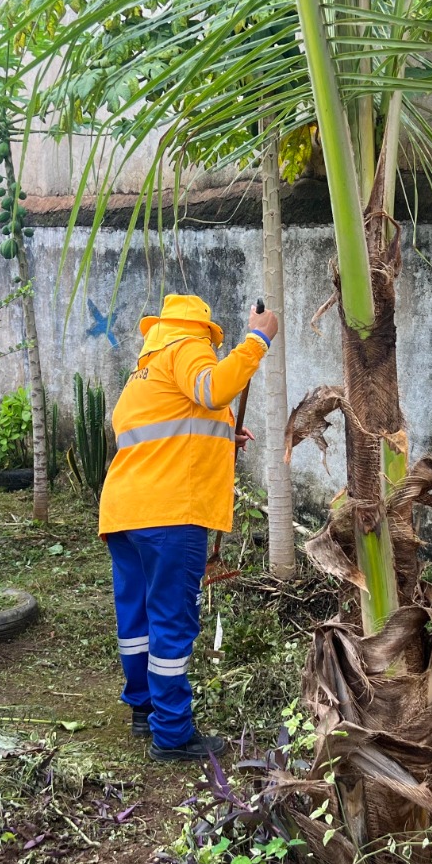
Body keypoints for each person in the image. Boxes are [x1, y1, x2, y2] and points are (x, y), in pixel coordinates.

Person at [99, 293, 279, 762]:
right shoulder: (187, 346)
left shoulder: (146, 370)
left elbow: (169, 427)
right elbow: (214, 389)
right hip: (170, 514)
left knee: (136, 618)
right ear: (203, 330)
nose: (214, 349)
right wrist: (258, 338)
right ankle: (173, 733)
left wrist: (223, 436)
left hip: (125, 512)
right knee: (171, 621)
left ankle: (144, 709)